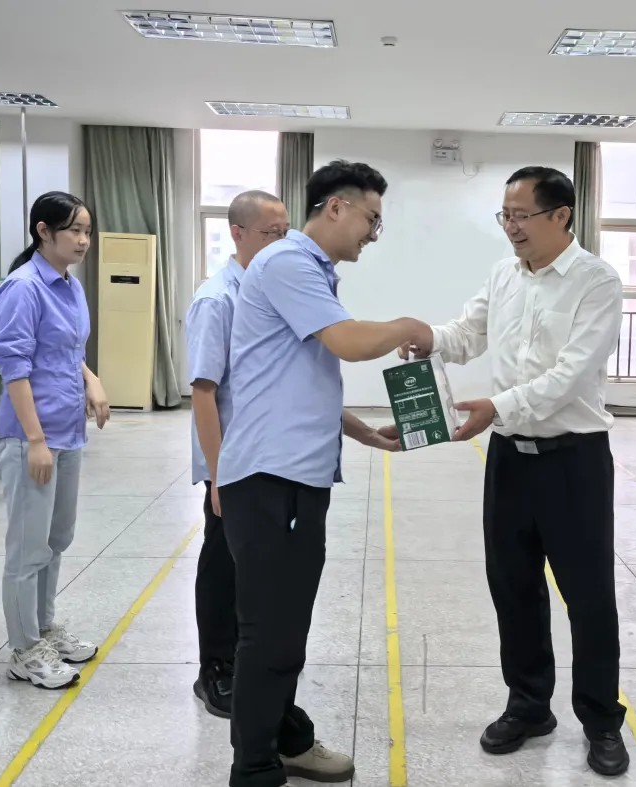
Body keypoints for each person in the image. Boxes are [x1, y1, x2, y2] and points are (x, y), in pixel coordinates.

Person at [405, 166, 629, 776]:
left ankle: (601, 720)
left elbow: (570, 377)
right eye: (504, 215)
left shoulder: (596, 282)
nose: (511, 227)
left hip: (574, 461)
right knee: (513, 586)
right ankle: (529, 706)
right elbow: (466, 333)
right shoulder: (504, 275)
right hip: (509, 459)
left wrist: (495, 406)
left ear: (561, 215)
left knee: (588, 596)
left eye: (521, 215)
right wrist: (424, 338)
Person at [215, 160, 432, 787]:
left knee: (286, 626)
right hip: (269, 480)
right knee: (269, 631)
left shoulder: (309, 272)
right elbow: (347, 342)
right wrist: (409, 328)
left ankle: (286, 737)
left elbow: (298, 381)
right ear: (336, 206)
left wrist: (365, 432)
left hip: (295, 479)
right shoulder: (287, 262)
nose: (372, 234)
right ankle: (254, 768)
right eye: (371, 219)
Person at [0, 191, 110, 690]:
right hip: (31, 438)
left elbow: (66, 351)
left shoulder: (70, 286)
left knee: (56, 540)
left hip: (68, 431)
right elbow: (15, 368)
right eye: (74, 230)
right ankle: (24, 649)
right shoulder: (23, 288)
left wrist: (91, 380)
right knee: (27, 548)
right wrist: (35, 440)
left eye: (87, 231)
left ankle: (43, 626)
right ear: (43, 231)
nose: (83, 240)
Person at [185, 189, 291, 718]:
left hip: (265, 456)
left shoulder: (267, 290)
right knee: (222, 564)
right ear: (238, 234)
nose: (281, 242)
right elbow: (204, 392)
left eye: (286, 233)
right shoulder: (217, 299)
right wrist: (219, 475)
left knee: (252, 566)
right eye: (272, 233)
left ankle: (245, 660)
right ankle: (215, 670)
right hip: (231, 461)